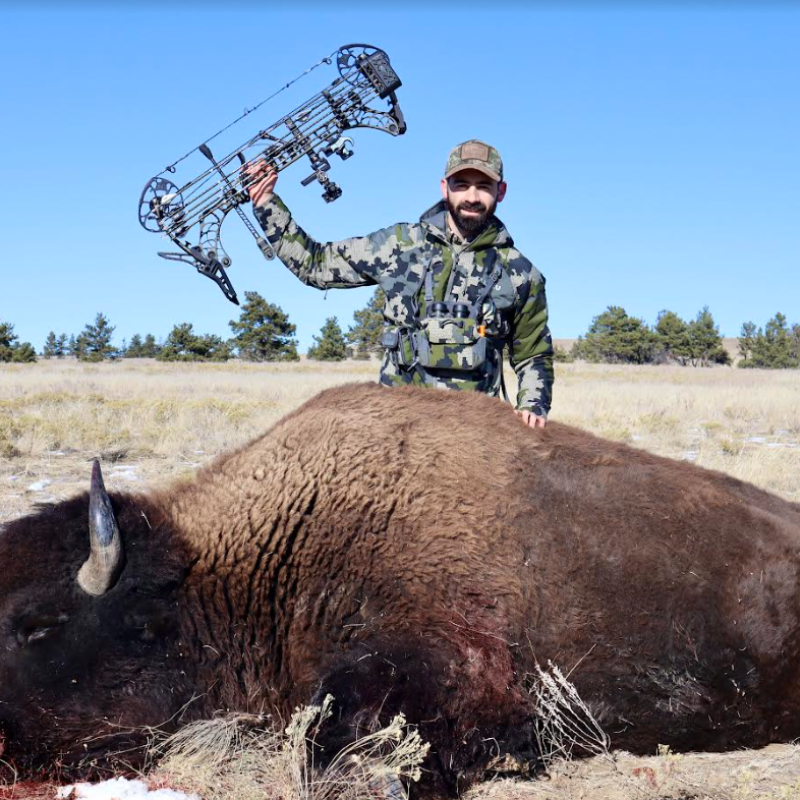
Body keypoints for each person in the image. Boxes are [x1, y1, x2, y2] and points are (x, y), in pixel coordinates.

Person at [245, 140, 553, 428]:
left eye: (484, 186)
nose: (472, 197)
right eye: (462, 185)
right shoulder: (399, 245)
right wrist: (266, 202)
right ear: (445, 188)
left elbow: (533, 354)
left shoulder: (521, 273)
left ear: (501, 192)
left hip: (476, 433)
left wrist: (533, 405)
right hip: (393, 426)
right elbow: (315, 265)